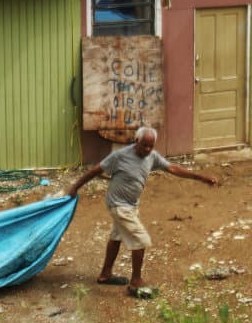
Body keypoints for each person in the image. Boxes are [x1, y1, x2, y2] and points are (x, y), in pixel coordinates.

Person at [67, 126, 218, 298]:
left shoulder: (152, 156)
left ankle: (105, 274)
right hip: (118, 205)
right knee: (140, 240)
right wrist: (75, 187)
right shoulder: (120, 156)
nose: (147, 150)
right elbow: (96, 170)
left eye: (150, 146)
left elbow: (173, 168)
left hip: (131, 205)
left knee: (117, 236)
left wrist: (201, 177)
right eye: (144, 145)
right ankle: (135, 282)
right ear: (136, 141)